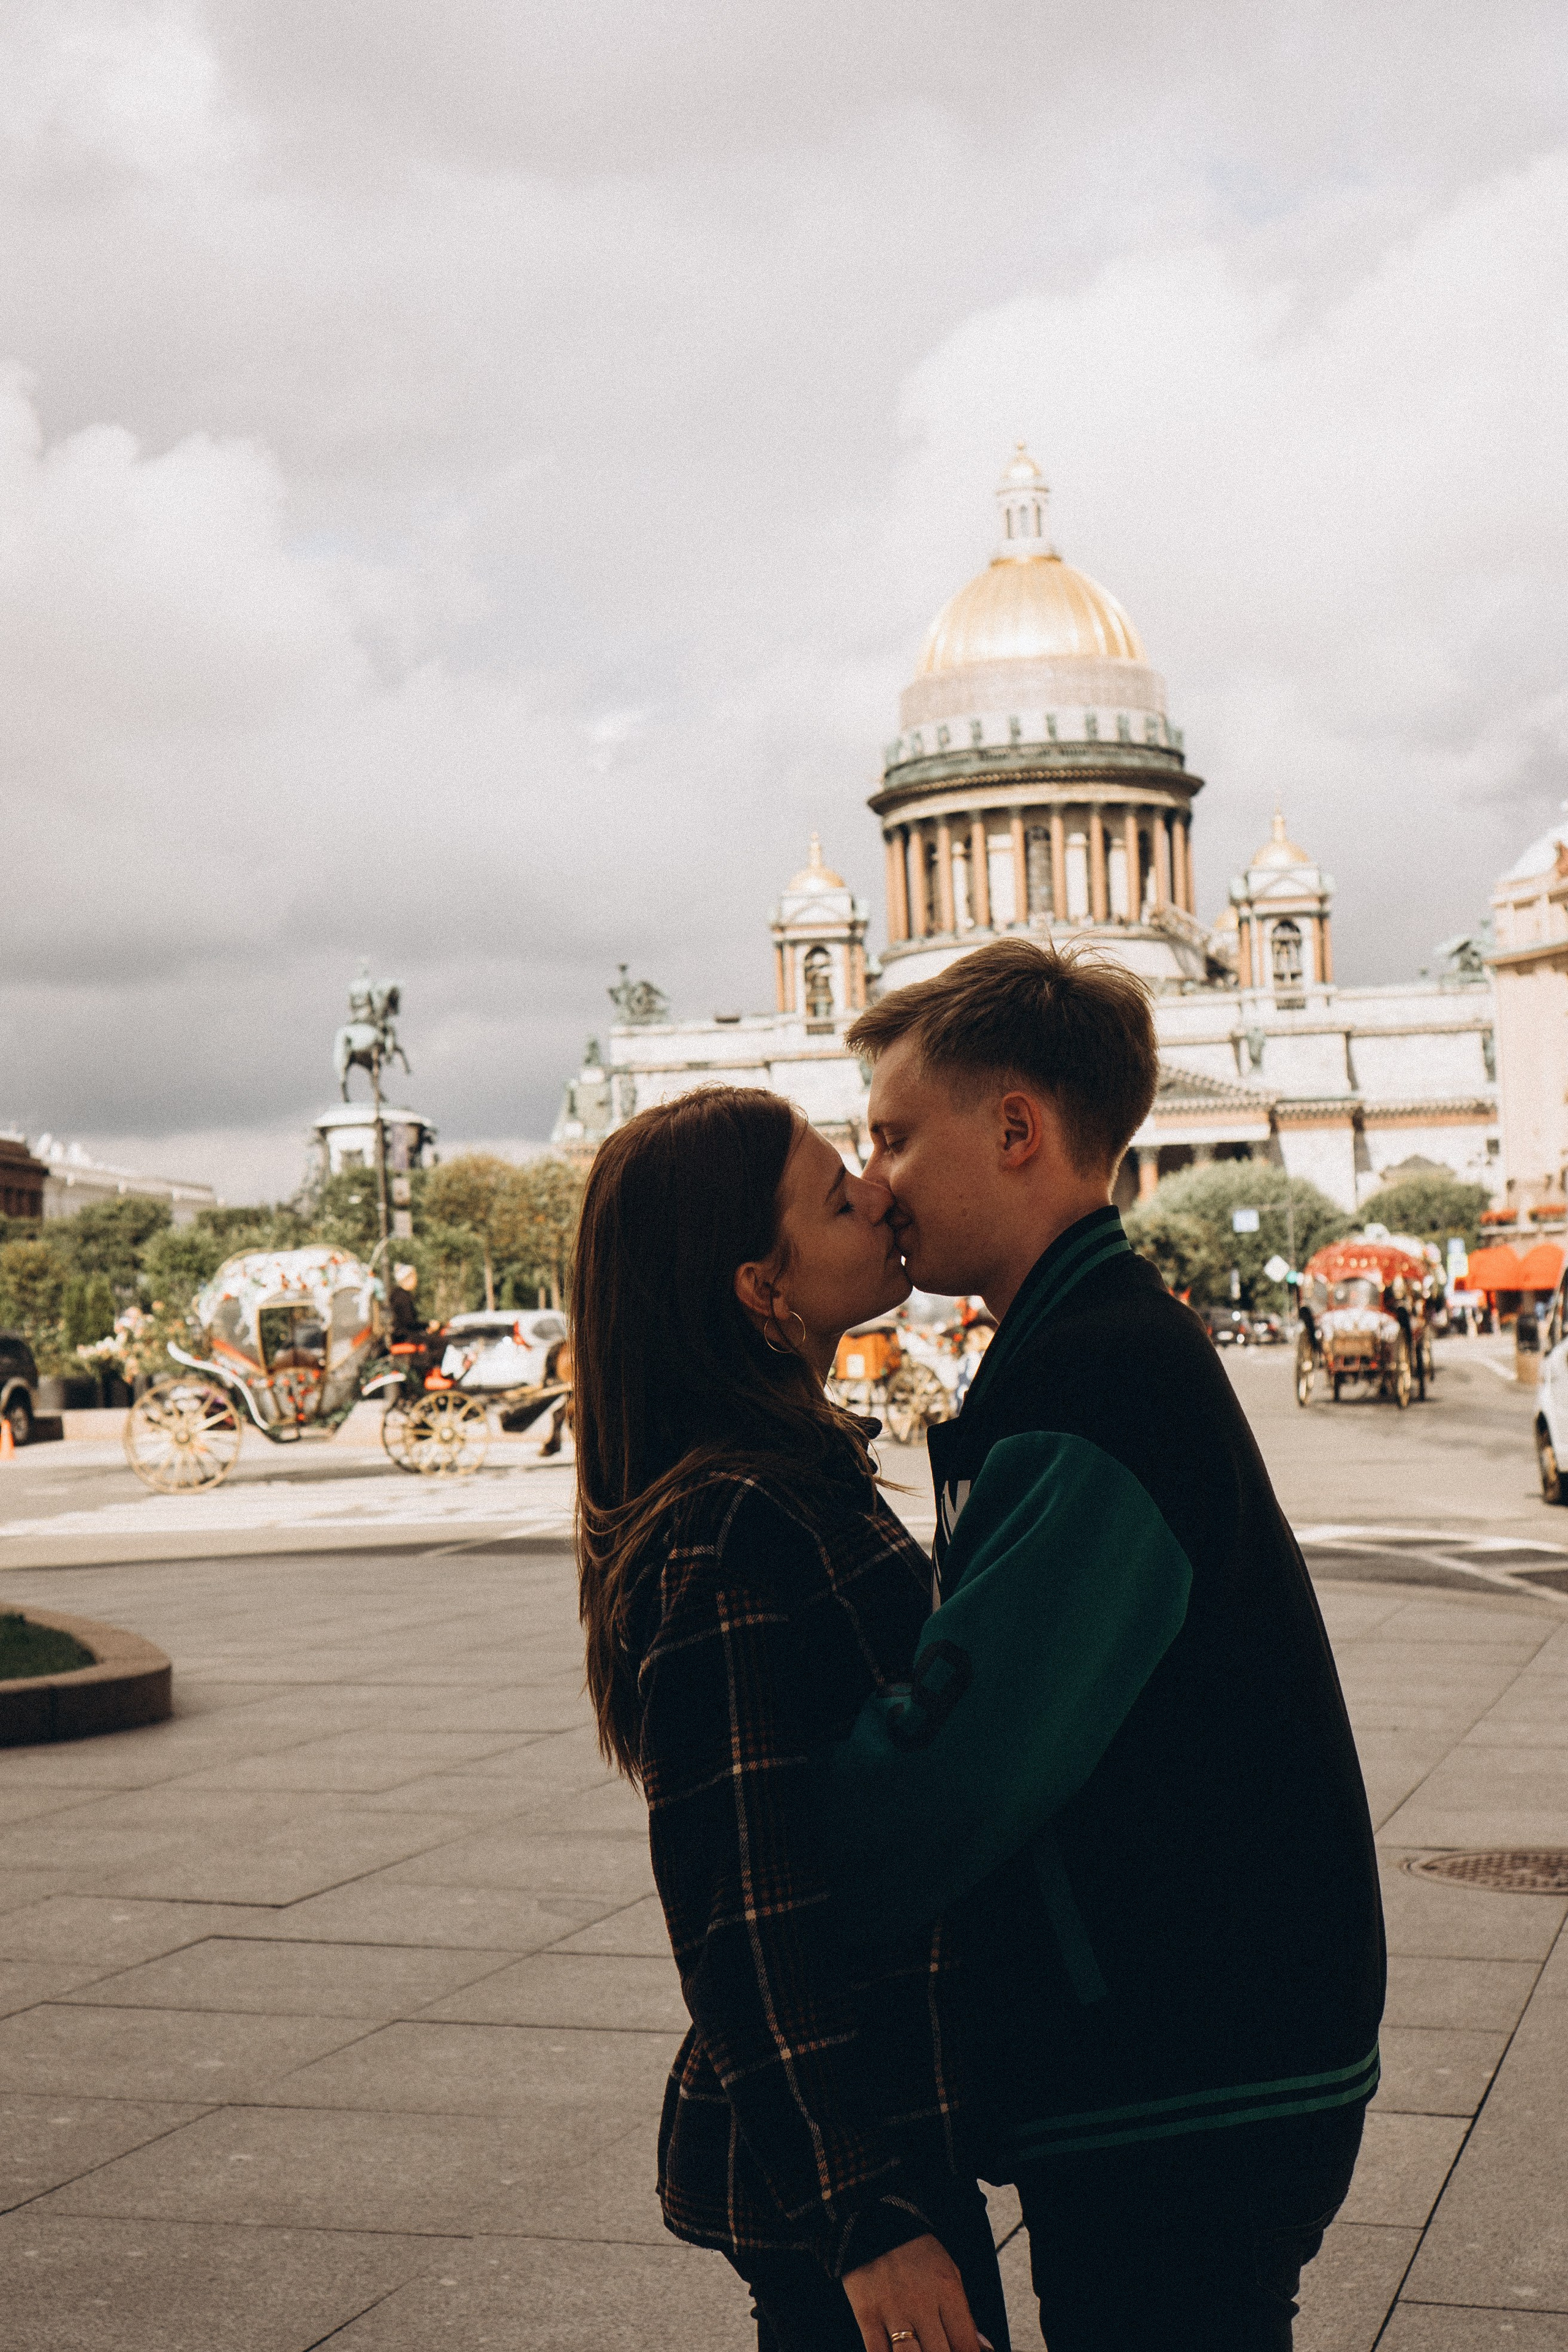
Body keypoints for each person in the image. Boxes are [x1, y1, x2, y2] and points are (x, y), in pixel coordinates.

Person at [823, 937, 1384, 2352]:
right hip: (1209, 2042)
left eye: (891, 1134)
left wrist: (778, 1827)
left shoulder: (1089, 1381)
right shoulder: (1093, 1344)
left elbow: (954, 1776)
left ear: (1014, 1128)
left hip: (1180, 2068)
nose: (872, 1178)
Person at [572, 1089, 1009, 2352]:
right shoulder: (736, 1524)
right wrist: (862, 2214)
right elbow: (737, 1900)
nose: (878, 1192)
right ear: (765, 1293)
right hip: (849, 2162)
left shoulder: (779, 1478)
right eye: (836, 1195)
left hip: (871, 2131)